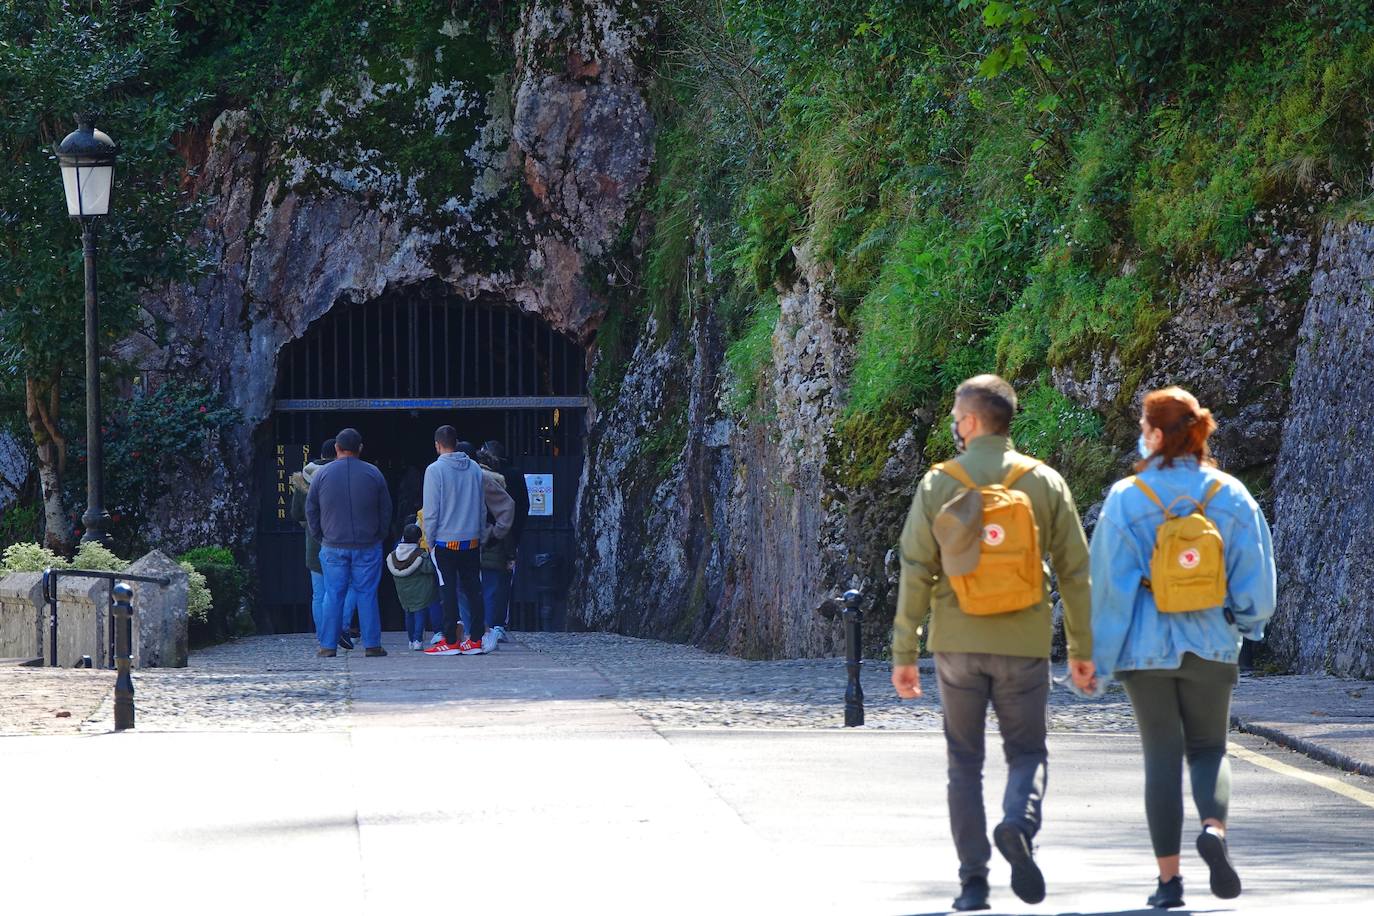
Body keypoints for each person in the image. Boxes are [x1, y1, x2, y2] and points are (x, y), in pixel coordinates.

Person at [890, 374, 1095, 912]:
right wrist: (1080, 651)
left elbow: (915, 569)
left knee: (964, 762)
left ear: (976, 421)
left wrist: (904, 652)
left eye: (958, 418)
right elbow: (1075, 572)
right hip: (1022, 644)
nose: (955, 428)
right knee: (1027, 752)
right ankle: (1018, 822)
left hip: (956, 645)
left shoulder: (939, 483)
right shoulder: (1044, 482)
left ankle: (973, 883)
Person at [1089, 387, 1276, 909]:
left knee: (1162, 757)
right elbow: (1256, 581)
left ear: (1152, 433)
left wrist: (1097, 661)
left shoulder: (1127, 498)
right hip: (1213, 644)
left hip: (1144, 653)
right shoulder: (1231, 494)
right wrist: (1248, 624)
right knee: (1210, 748)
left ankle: (1169, 882)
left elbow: (1108, 590)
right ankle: (1214, 829)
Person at [423, 425, 514, 656]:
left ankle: (451, 640)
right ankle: (475, 639)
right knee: (475, 590)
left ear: (438, 444)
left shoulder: (435, 470)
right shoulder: (474, 469)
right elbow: (487, 506)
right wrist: (485, 533)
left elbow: (432, 511)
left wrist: (429, 538)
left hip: (445, 540)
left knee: (448, 590)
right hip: (472, 540)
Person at [305, 427, 393, 658]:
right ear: (360, 448)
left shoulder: (321, 475)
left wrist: (320, 536)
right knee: (367, 593)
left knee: (333, 595)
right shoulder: (374, 473)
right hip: (367, 544)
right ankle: (372, 644)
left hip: (333, 544)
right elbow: (386, 510)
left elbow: (311, 509)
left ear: (336, 448)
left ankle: (328, 645)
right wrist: (379, 535)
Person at [289, 438, 354, 650]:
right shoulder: (341, 475)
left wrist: (309, 525)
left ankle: (323, 634)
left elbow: (295, 513)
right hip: (341, 537)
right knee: (348, 586)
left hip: (313, 539)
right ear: (337, 452)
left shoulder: (304, 478)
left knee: (319, 593)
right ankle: (341, 628)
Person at [478, 440, 529, 640]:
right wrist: (513, 533)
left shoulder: (478, 477)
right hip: (504, 536)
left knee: (478, 585)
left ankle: (483, 626)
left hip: (483, 534)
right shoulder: (514, 475)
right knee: (499, 583)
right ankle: (497, 625)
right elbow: (522, 507)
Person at [388, 523, 439, 651]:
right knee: (420, 614)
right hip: (420, 592)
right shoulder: (420, 555)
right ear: (419, 539)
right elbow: (429, 569)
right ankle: (417, 640)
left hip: (403, 593)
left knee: (408, 613)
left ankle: (411, 640)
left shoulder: (394, 555)